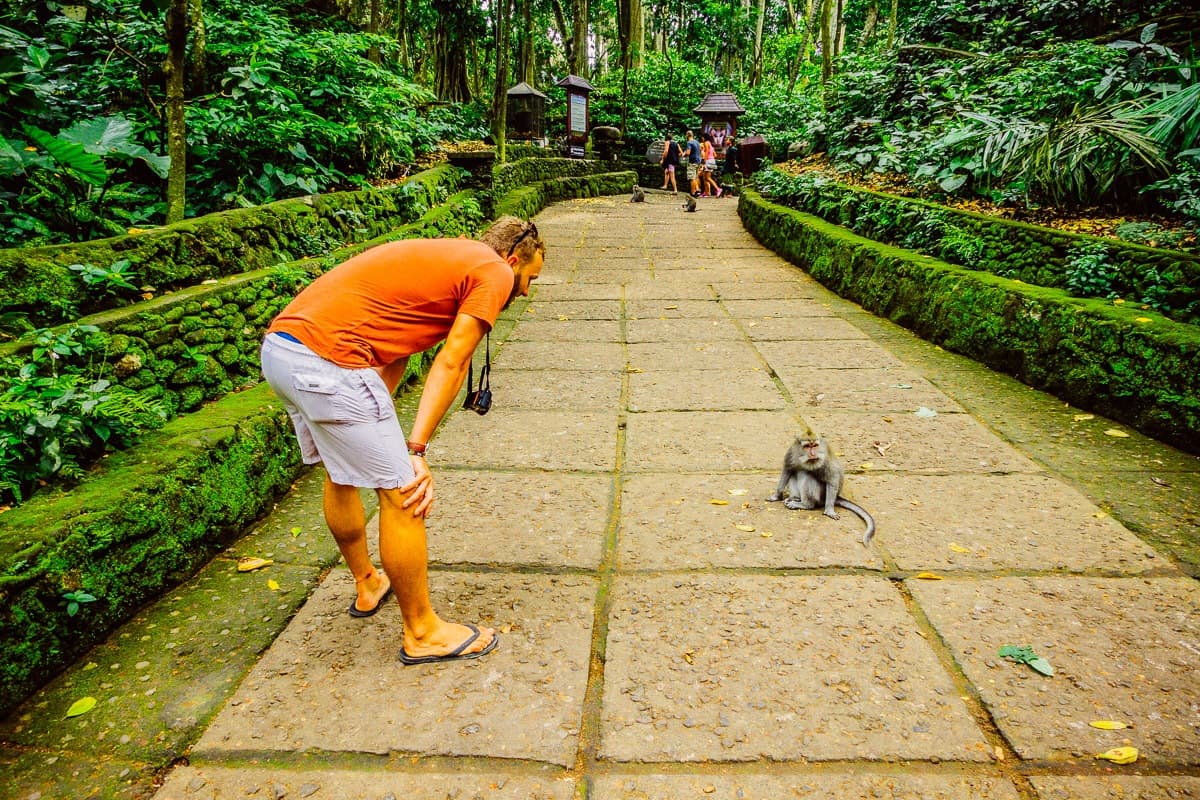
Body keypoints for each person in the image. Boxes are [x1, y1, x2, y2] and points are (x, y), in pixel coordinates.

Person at [259, 217, 545, 665]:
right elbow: (452, 362)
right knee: (403, 493)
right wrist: (413, 452)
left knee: (343, 471)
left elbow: (392, 351)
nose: (524, 292)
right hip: (328, 360)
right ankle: (423, 632)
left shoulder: (447, 262)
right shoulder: (493, 271)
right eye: (529, 278)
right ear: (512, 261)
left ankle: (369, 582)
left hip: (282, 352)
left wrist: (380, 433)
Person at [698, 132, 722, 198]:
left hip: (708, 160)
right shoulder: (710, 143)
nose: (702, 138)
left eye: (702, 137)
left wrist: (704, 161)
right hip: (711, 160)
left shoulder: (706, 143)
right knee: (705, 177)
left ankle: (718, 189)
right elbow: (714, 154)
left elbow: (707, 152)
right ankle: (706, 192)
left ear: (704, 137)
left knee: (708, 178)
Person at [683, 130, 702, 197]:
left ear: (687, 135)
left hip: (692, 161)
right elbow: (700, 150)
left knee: (691, 177)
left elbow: (688, 152)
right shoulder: (697, 142)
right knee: (696, 176)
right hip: (698, 161)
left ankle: (693, 192)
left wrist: (684, 154)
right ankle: (698, 189)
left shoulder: (689, 143)